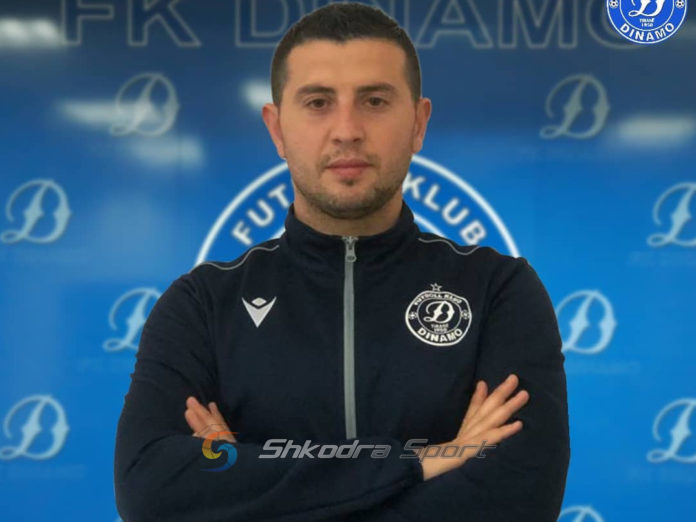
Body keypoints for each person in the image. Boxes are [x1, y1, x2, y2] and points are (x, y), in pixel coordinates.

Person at [114, 3, 570, 521]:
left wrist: (247, 481)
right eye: (318, 102)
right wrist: (418, 464)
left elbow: (518, 500)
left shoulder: (498, 291)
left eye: (374, 101)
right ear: (277, 129)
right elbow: (150, 492)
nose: (347, 129)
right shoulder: (201, 305)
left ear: (418, 123)